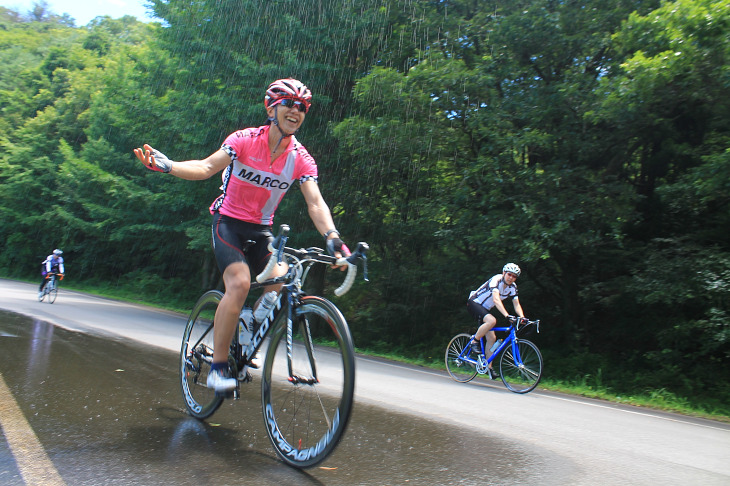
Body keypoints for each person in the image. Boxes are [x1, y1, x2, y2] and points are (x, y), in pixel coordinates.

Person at [134, 78, 351, 393]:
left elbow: (315, 203)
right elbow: (207, 167)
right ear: (271, 107)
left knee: (283, 280)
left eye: (302, 107)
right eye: (289, 104)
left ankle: (248, 327)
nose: (296, 111)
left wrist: (333, 238)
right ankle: (219, 367)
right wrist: (171, 167)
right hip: (228, 224)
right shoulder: (245, 140)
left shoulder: (301, 158)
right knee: (239, 283)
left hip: (261, 230)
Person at [466, 263, 526, 378]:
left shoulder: (513, 287)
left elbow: (516, 304)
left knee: (492, 338)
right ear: (504, 273)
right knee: (492, 321)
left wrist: (522, 317)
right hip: (474, 303)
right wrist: (507, 315)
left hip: (485, 308)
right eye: (509, 274)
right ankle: (474, 341)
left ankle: (488, 367)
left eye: (514, 276)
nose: (511, 278)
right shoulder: (496, 280)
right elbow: (496, 299)